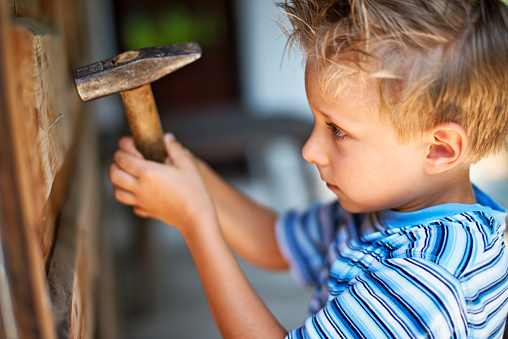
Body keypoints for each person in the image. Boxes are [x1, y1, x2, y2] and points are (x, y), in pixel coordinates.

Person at [109, 0, 508, 337]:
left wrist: (195, 220)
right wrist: (192, 173)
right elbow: (274, 241)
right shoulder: (392, 208)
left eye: (337, 130)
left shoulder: (427, 284)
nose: (309, 150)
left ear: (439, 149)